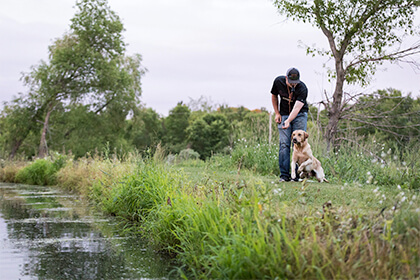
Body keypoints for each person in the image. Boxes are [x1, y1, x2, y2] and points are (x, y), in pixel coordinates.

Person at [271, 67, 309, 182]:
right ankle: (284, 175)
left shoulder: (302, 88)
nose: (293, 85)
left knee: (298, 144)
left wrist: (288, 121)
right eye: (291, 83)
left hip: (300, 115)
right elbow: (274, 96)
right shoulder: (278, 81)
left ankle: (296, 175)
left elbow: (297, 108)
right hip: (283, 113)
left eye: (295, 83)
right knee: (284, 144)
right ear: (286, 78)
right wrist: (277, 113)